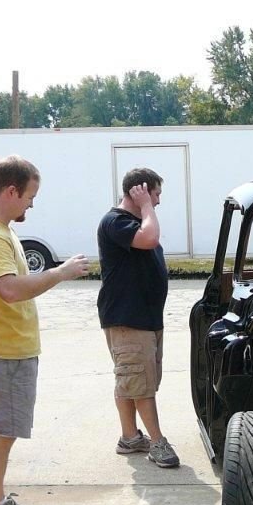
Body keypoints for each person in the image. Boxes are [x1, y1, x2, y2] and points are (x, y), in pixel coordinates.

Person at [0, 155, 89, 505]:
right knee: (1, 434)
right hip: (2, 354)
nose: (31, 205)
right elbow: (9, 289)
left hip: (9, 351)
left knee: (5, 432)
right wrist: (59, 272)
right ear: (11, 190)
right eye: (29, 196)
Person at [96, 168, 179, 469]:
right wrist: (145, 206)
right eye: (155, 194)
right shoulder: (116, 221)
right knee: (139, 381)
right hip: (128, 319)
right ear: (139, 191)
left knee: (132, 378)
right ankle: (157, 442)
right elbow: (149, 238)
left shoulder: (133, 222)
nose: (157, 202)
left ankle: (130, 437)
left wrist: (146, 209)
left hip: (143, 317)